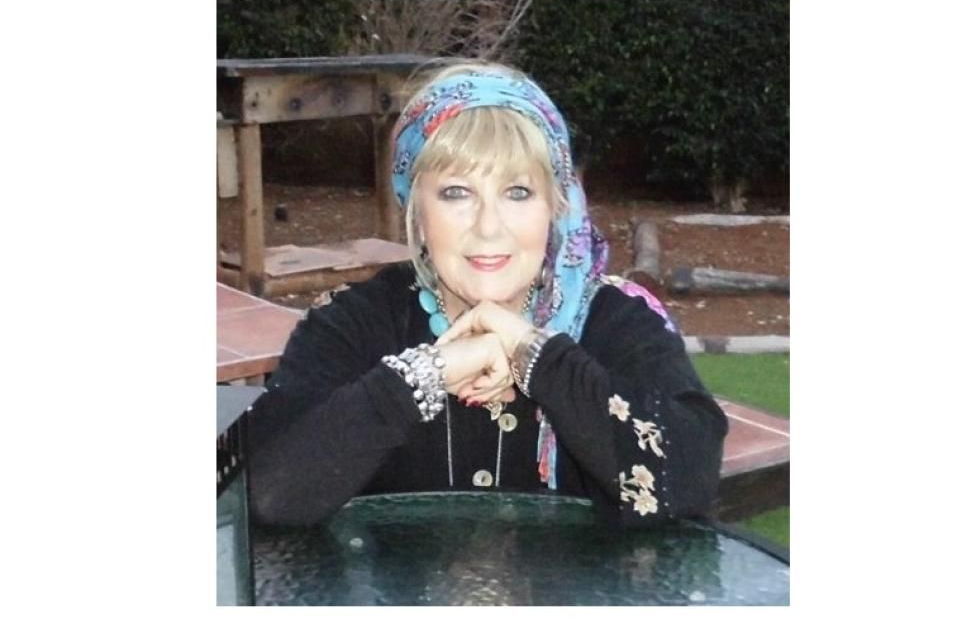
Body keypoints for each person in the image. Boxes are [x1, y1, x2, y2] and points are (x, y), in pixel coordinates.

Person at [244, 59, 728, 528]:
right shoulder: (354, 321)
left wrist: (535, 356)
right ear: (415, 211)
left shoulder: (618, 320)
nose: (489, 226)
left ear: (556, 205)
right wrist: (426, 375)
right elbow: (266, 493)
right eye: (457, 192)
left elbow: (688, 483)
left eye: (517, 192)